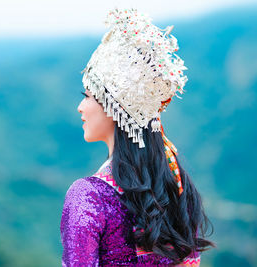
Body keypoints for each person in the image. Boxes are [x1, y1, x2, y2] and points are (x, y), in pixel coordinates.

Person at [60, 8, 215, 266]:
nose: (80, 107)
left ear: (112, 106)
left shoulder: (88, 197)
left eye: (87, 96)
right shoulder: (176, 188)